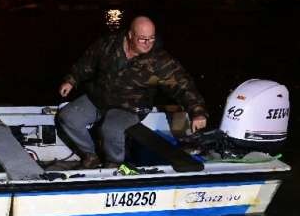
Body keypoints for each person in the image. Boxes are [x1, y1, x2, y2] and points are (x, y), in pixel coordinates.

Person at [56, 16, 207, 168]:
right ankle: (90, 155)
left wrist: (197, 112)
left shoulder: (160, 61)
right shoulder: (109, 44)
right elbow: (87, 62)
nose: (148, 43)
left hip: (130, 107)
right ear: (130, 35)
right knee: (68, 117)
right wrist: (71, 80)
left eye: (151, 38)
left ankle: (114, 163)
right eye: (142, 39)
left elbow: (183, 85)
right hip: (99, 97)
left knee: (111, 128)